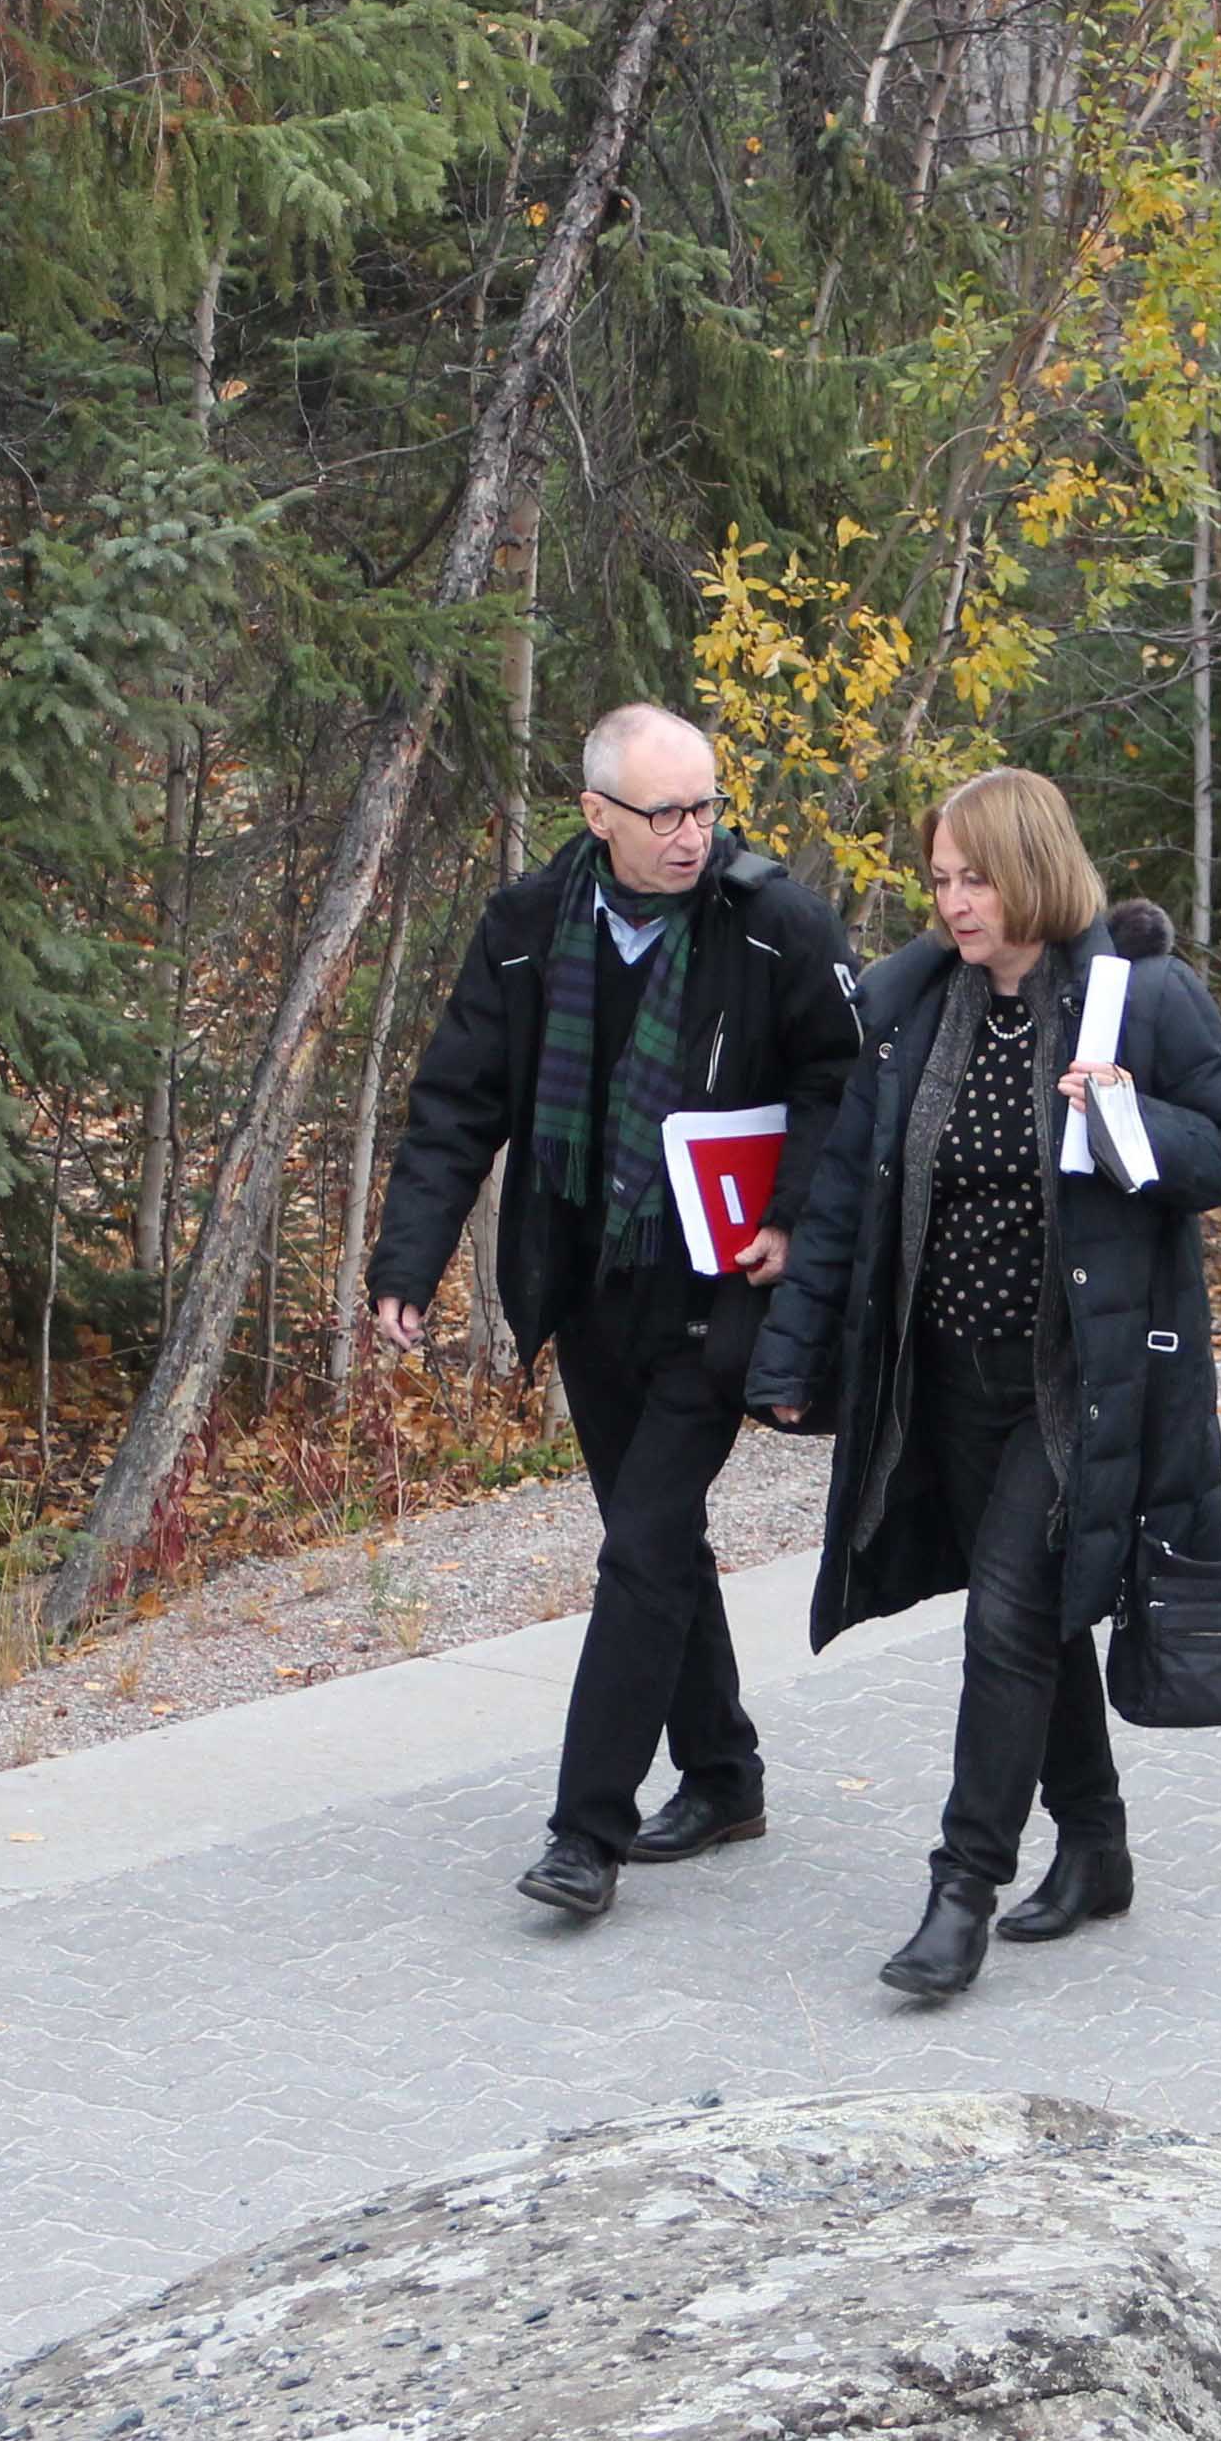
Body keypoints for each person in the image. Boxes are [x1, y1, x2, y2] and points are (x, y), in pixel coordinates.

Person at [748, 770, 1221, 2000]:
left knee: (1001, 1620)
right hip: (943, 1380)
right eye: (937, 878)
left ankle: (959, 1890)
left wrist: (1141, 1119)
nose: (952, 900)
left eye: (972, 876)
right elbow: (843, 1200)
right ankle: (1092, 1842)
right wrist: (791, 1353)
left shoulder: (1134, 1000)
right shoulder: (918, 1007)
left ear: (1031, 867)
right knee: (1029, 1620)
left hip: (1072, 1385)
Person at [366, 703, 863, 1920]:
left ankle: (584, 1830)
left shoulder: (771, 926)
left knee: (637, 1547)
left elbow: (847, 1077)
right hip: (585, 1286)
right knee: (663, 1546)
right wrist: (406, 1264)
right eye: (665, 812)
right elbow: (456, 1098)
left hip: (717, 1290)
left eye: (704, 806)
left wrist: (792, 1214)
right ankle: (725, 1775)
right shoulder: (529, 927)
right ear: (596, 814)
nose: (692, 833)